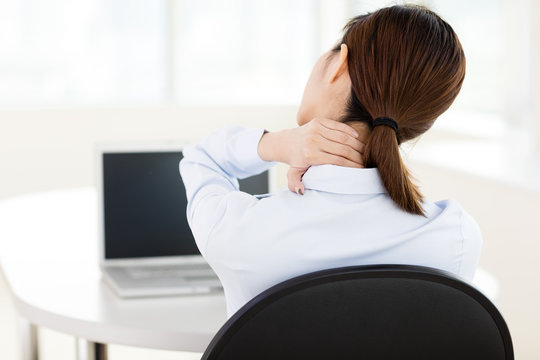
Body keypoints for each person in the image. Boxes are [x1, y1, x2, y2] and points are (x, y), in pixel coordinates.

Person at [179, 5, 481, 317]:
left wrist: (276, 143)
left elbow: (203, 158)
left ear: (339, 63)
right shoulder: (455, 237)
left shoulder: (241, 231)